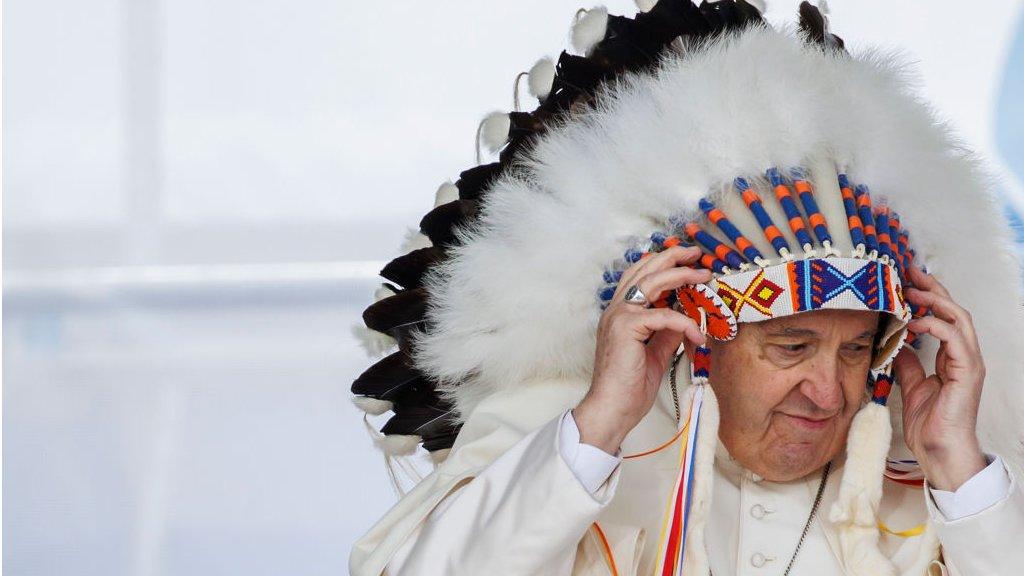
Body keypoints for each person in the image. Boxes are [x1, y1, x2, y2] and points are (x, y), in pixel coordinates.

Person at [348, 2, 1024, 574]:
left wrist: (957, 465)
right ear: (696, 336)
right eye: (792, 346)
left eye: (855, 351)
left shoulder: (931, 475)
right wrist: (600, 425)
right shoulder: (560, 432)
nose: (829, 392)